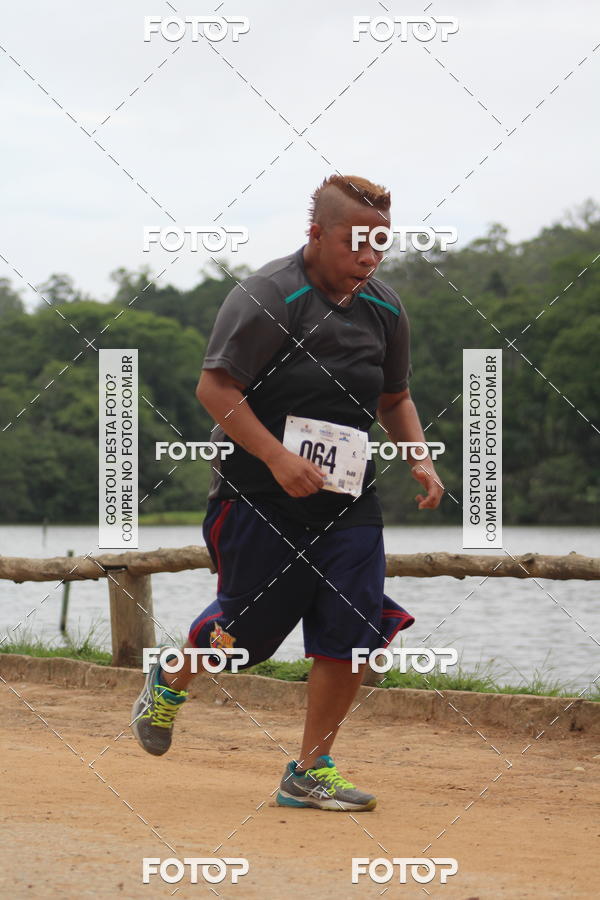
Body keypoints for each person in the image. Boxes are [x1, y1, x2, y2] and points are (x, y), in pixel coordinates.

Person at [131, 174, 444, 811]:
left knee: (353, 625)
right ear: (316, 234)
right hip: (257, 496)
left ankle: (310, 768)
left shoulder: (384, 308)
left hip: (348, 499)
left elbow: (395, 397)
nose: (369, 257)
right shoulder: (267, 296)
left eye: (381, 245)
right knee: (246, 638)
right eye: (357, 244)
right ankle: (171, 675)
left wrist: (419, 458)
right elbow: (216, 391)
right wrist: (276, 459)